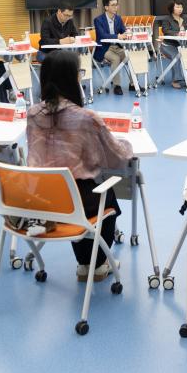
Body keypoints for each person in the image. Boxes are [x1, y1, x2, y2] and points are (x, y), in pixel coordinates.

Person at [27, 52, 132, 281]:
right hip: (77, 200)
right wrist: (127, 144)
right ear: (71, 79)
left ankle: (86, 263)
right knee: (106, 197)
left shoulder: (33, 114)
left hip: (43, 199)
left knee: (81, 195)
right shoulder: (86, 118)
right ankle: (96, 264)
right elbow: (116, 158)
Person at [93, 0, 131, 95]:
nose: (116, 7)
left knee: (130, 56)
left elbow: (123, 31)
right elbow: (102, 35)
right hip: (104, 48)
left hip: (117, 47)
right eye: (113, 5)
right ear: (106, 7)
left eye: (117, 4)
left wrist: (127, 32)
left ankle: (133, 84)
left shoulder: (118, 18)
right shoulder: (98, 20)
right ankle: (117, 86)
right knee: (116, 58)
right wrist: (118, 36)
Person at [158, 0, 187, 89]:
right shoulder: (167, 19)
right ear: (172, 8)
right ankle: (176, 80)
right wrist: (177, 33)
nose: (180, 9)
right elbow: (165, 30)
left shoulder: (185, 18)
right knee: (176, 55)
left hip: (182, 45)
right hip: (168, 45)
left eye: (181, 7)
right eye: (177, 7)